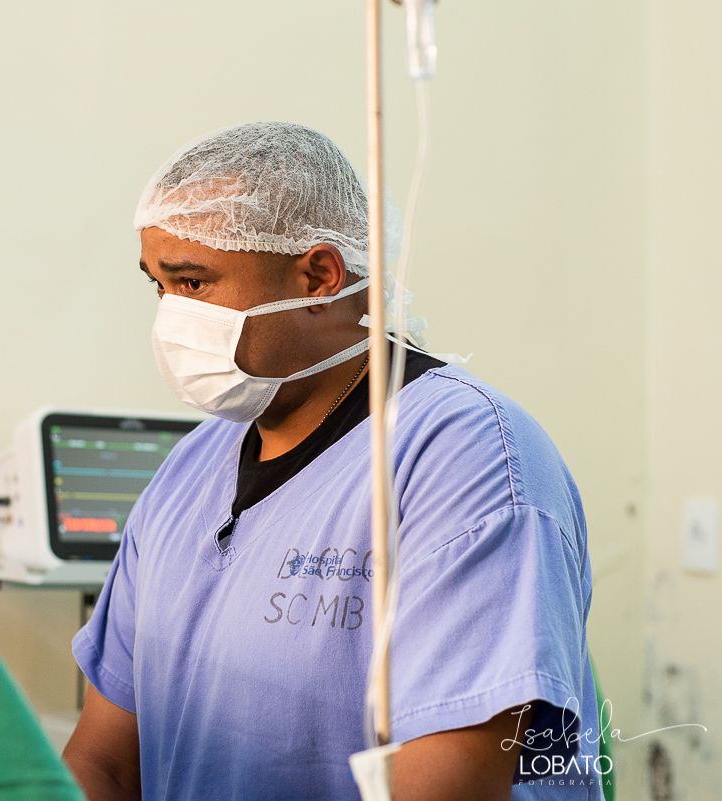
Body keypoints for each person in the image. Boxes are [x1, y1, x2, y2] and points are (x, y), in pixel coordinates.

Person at [63, 123, 602, 800]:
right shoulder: (190, 469)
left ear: (320, 275)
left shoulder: (465, 456)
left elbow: (448, 782)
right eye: (160, 287)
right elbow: (105, 762)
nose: (172, 317)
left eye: (194, 281)